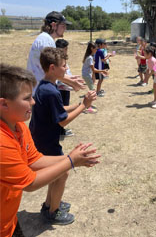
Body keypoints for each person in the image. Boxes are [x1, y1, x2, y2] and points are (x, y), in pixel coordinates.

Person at [0, 63, 100, 237]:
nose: (33, 101)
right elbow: (30, 183)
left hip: (9, 220)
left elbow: (34, 160)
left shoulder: (19, 127)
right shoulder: (2, 142)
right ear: (4, 104)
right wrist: (70, 161)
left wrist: (73, 158)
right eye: (26, 98)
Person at [29, 47, 97, 225]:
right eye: (64, 66)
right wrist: (84, 105)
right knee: (62, 172)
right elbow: (62, 121)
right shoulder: (51, 91)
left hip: (41, 137)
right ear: (52, 68)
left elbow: (57, 111)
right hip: (46, 141)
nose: (66, 69)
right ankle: (53, 212)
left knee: (58, 174)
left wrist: (76, 104)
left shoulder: (45, 86)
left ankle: (50, 204)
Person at [27, 11, 84, 94]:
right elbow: (53, 70)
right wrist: (71, 82)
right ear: (54, 25)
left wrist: (69, 78)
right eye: (63, 25)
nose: (65, 28)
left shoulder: (46, 39)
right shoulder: (46, 41)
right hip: (40, 91)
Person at [55, 39, 75, 137]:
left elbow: (68, 73)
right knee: (61, 110)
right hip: (60, 89)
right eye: (65, 49)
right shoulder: (56, 60)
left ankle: (61, 130)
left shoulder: (64, 59)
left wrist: (73, 81)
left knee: (64, 108)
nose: (67, 50)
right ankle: (59, 131)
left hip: (66, 88)